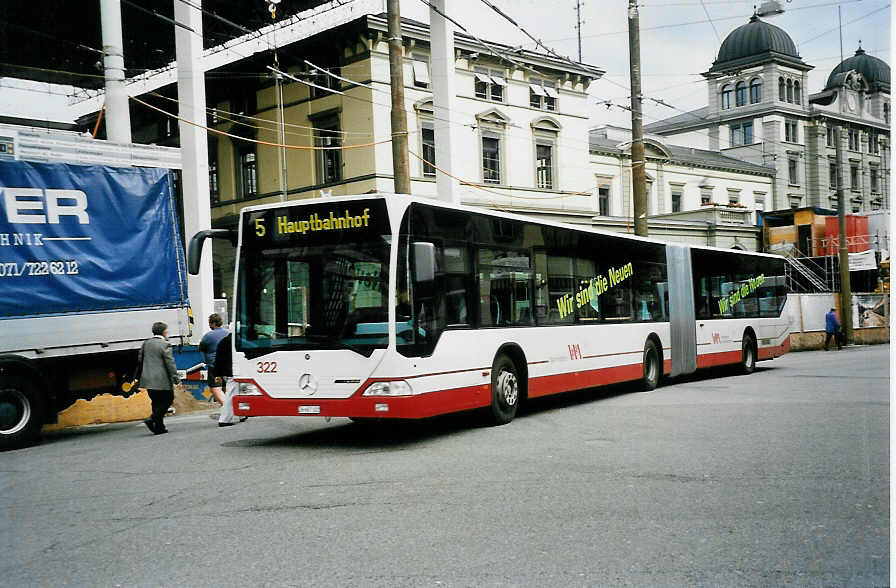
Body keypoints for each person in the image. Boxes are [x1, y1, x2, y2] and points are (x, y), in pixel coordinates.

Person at [138, 322, 181, 435]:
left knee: (156, 402)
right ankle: (152, 418)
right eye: (167, 331)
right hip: (161, 379)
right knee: (168, 399)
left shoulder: (146, 343)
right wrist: (176, 379)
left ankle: (159, 427)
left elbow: (140, 360)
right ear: (164, 332)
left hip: (148, 379)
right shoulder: (165, 344)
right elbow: (170, 363)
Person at [213, 332, 246, 427]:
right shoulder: (239, 341)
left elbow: (218, 359)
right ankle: (225, 419)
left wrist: (217, 374)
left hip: (227, 372)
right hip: (234, 371)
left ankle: (242, 414)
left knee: (237, 392)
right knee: (232, 394)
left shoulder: (222, 341)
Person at [199, 314, 229, 405]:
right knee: (226, 386)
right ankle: (229, 404)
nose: (209, 325)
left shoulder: (208, 336)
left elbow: (201, 348)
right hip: (228, 365)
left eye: (209, 323)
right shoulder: (228, 333)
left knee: (215, 388)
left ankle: (226, 406)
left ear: (213, 323)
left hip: (214, 366)